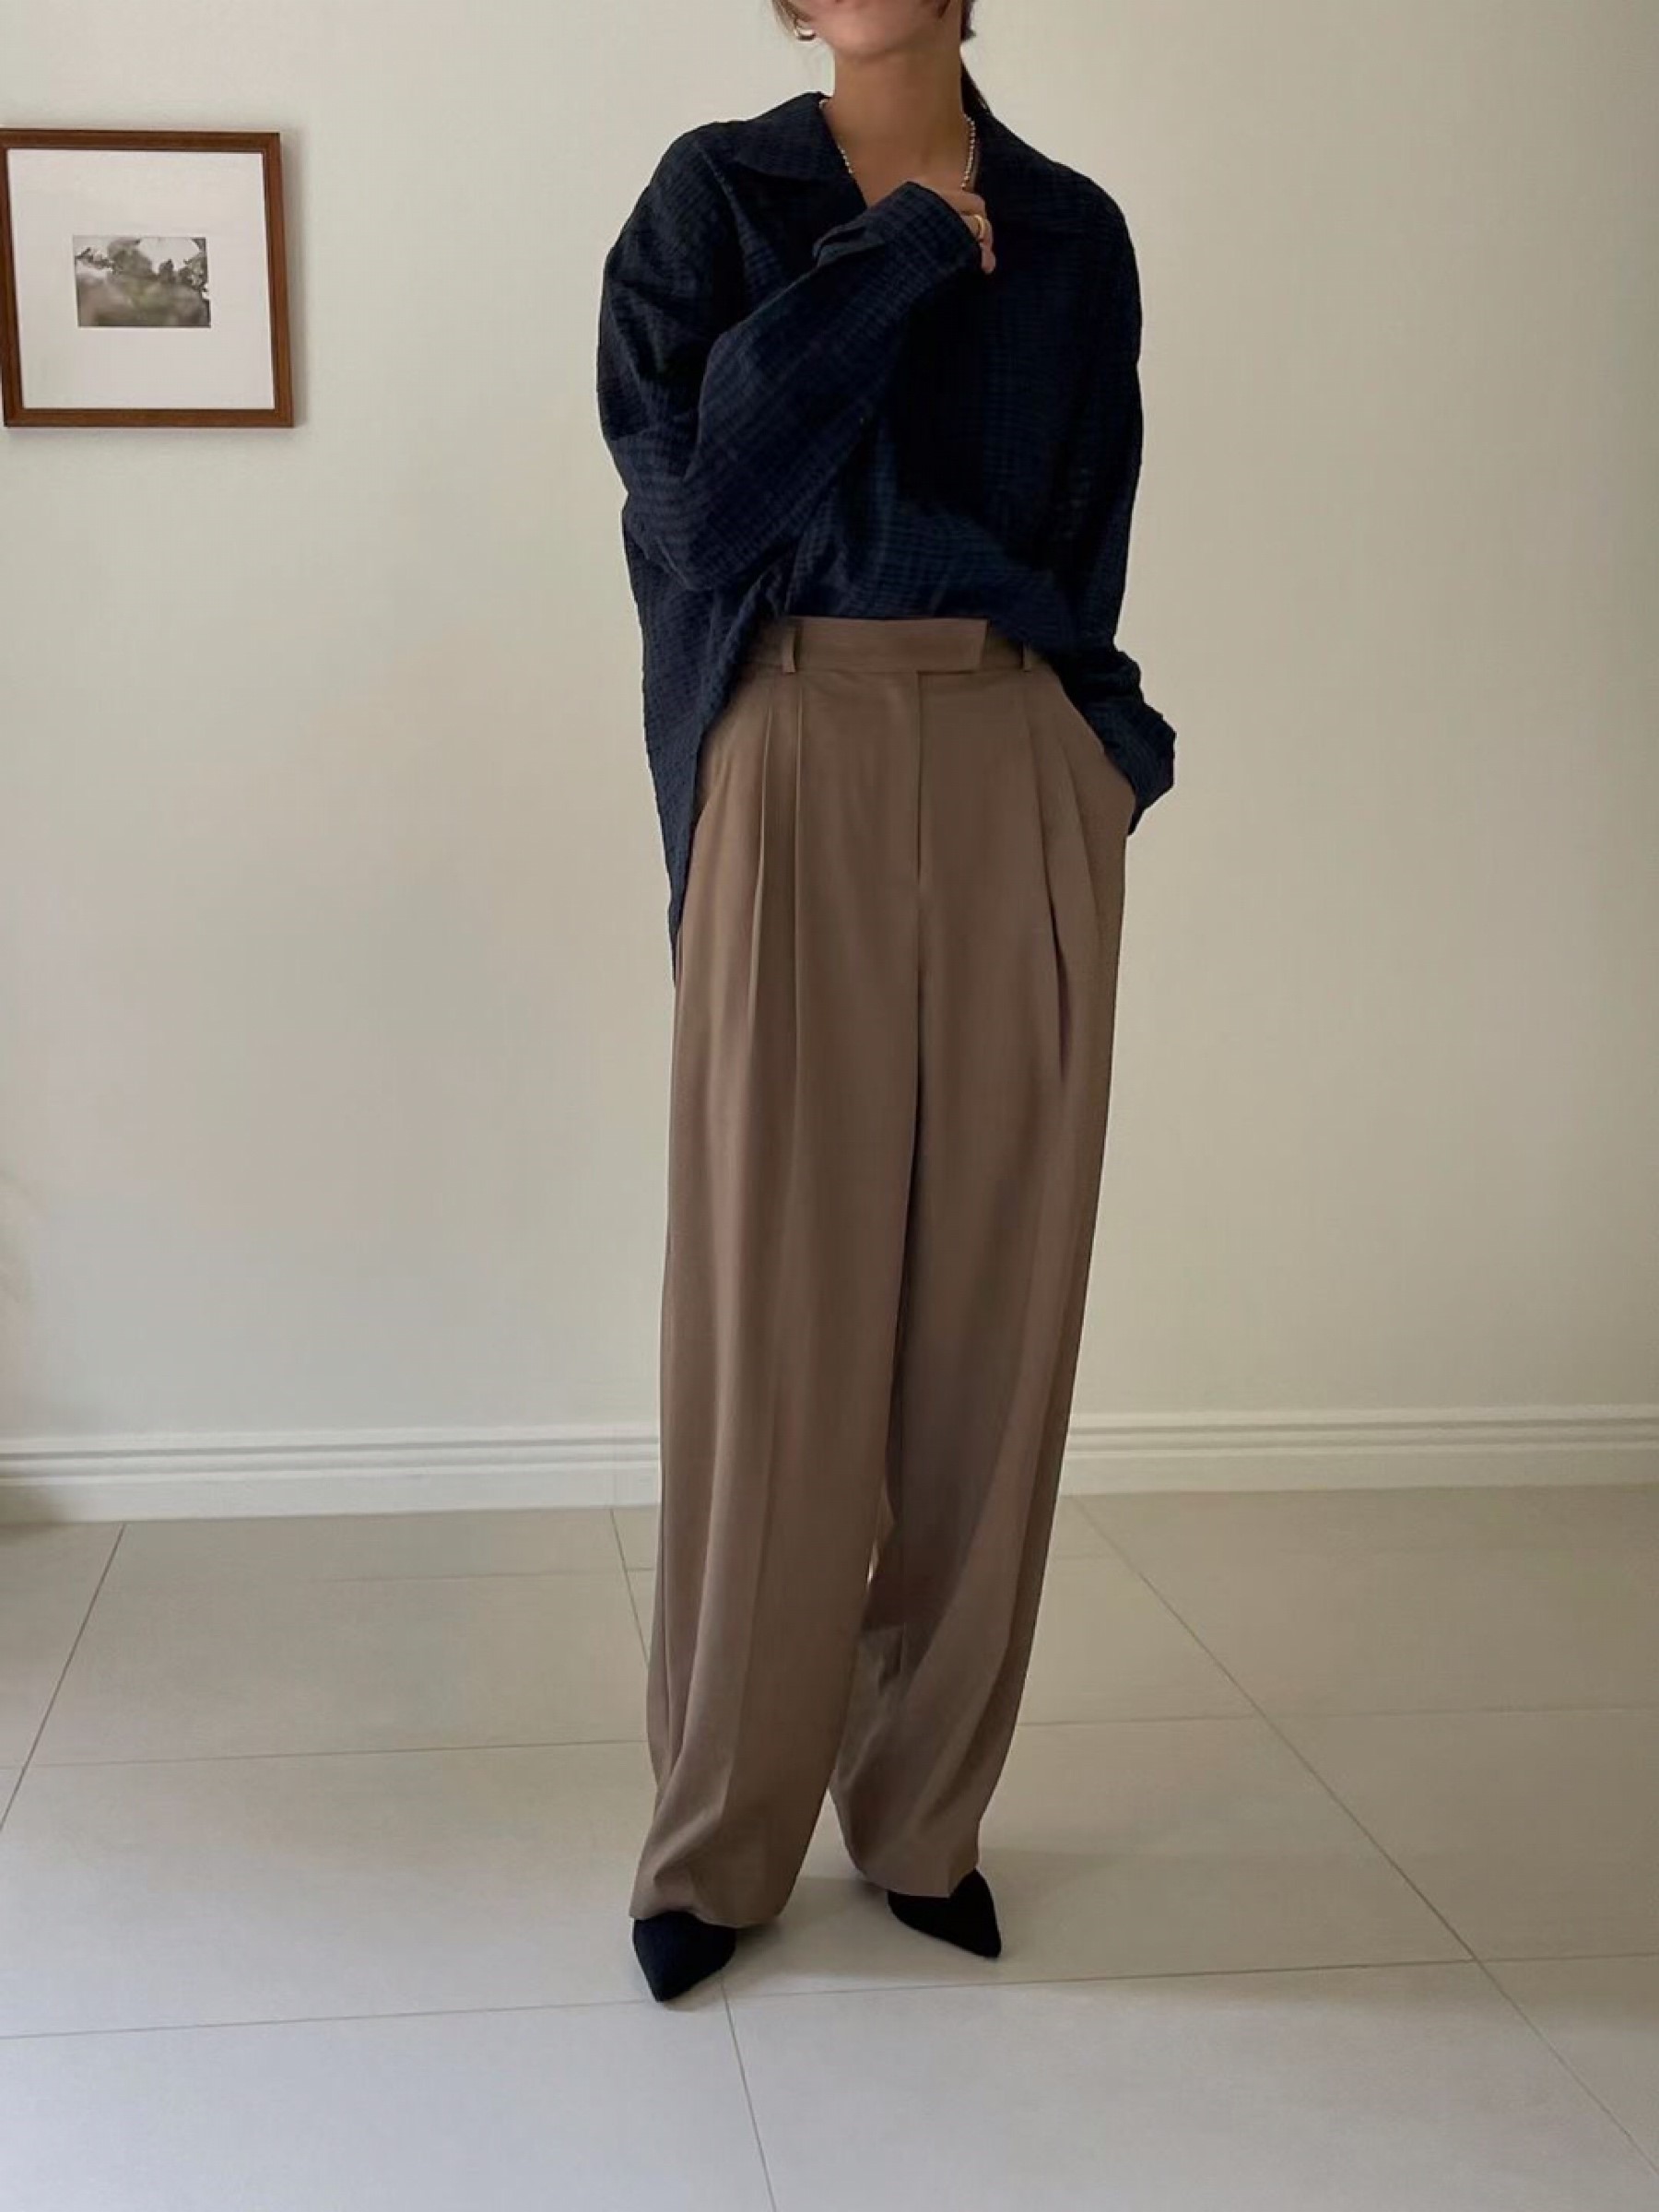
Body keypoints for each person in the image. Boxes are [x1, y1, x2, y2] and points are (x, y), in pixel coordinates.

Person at [595, 0, 1176, 2003]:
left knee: (995, 1319)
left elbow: (1088, 535)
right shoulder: (719, 202)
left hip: (1017, 752)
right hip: (795, 736)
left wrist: (1095, 760)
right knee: (777, 1311)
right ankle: (720, 1833)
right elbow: (699, 512)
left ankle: (925, 1811)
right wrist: (906, 251)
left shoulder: (1078, 232)